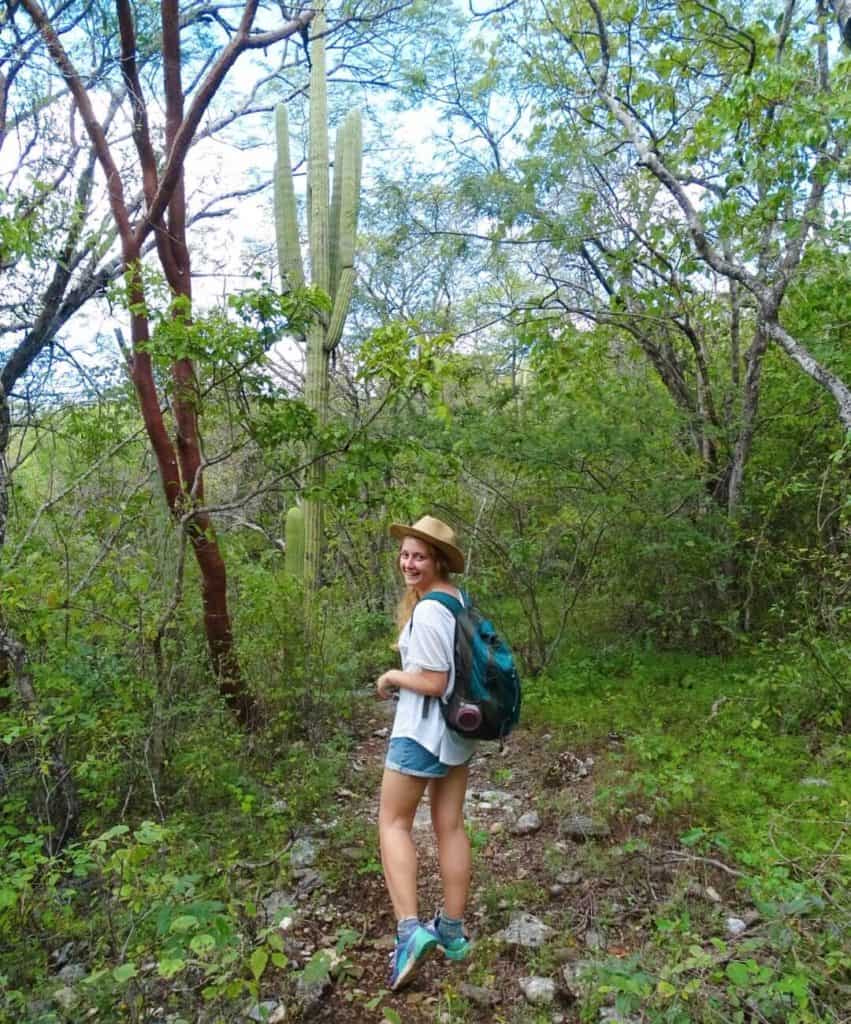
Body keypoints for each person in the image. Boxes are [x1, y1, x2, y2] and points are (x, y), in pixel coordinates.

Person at [376, 515, 475, 992]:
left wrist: (393, 677)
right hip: (455, 736)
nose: (409, 563)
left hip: (420, 734)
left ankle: (409, 931)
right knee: (450, 826)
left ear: (437, 560)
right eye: (405, 554)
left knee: (392, 823)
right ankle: (452, 934)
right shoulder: (458, 601)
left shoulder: (432, 610)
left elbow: (434, 682)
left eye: (419, 555)